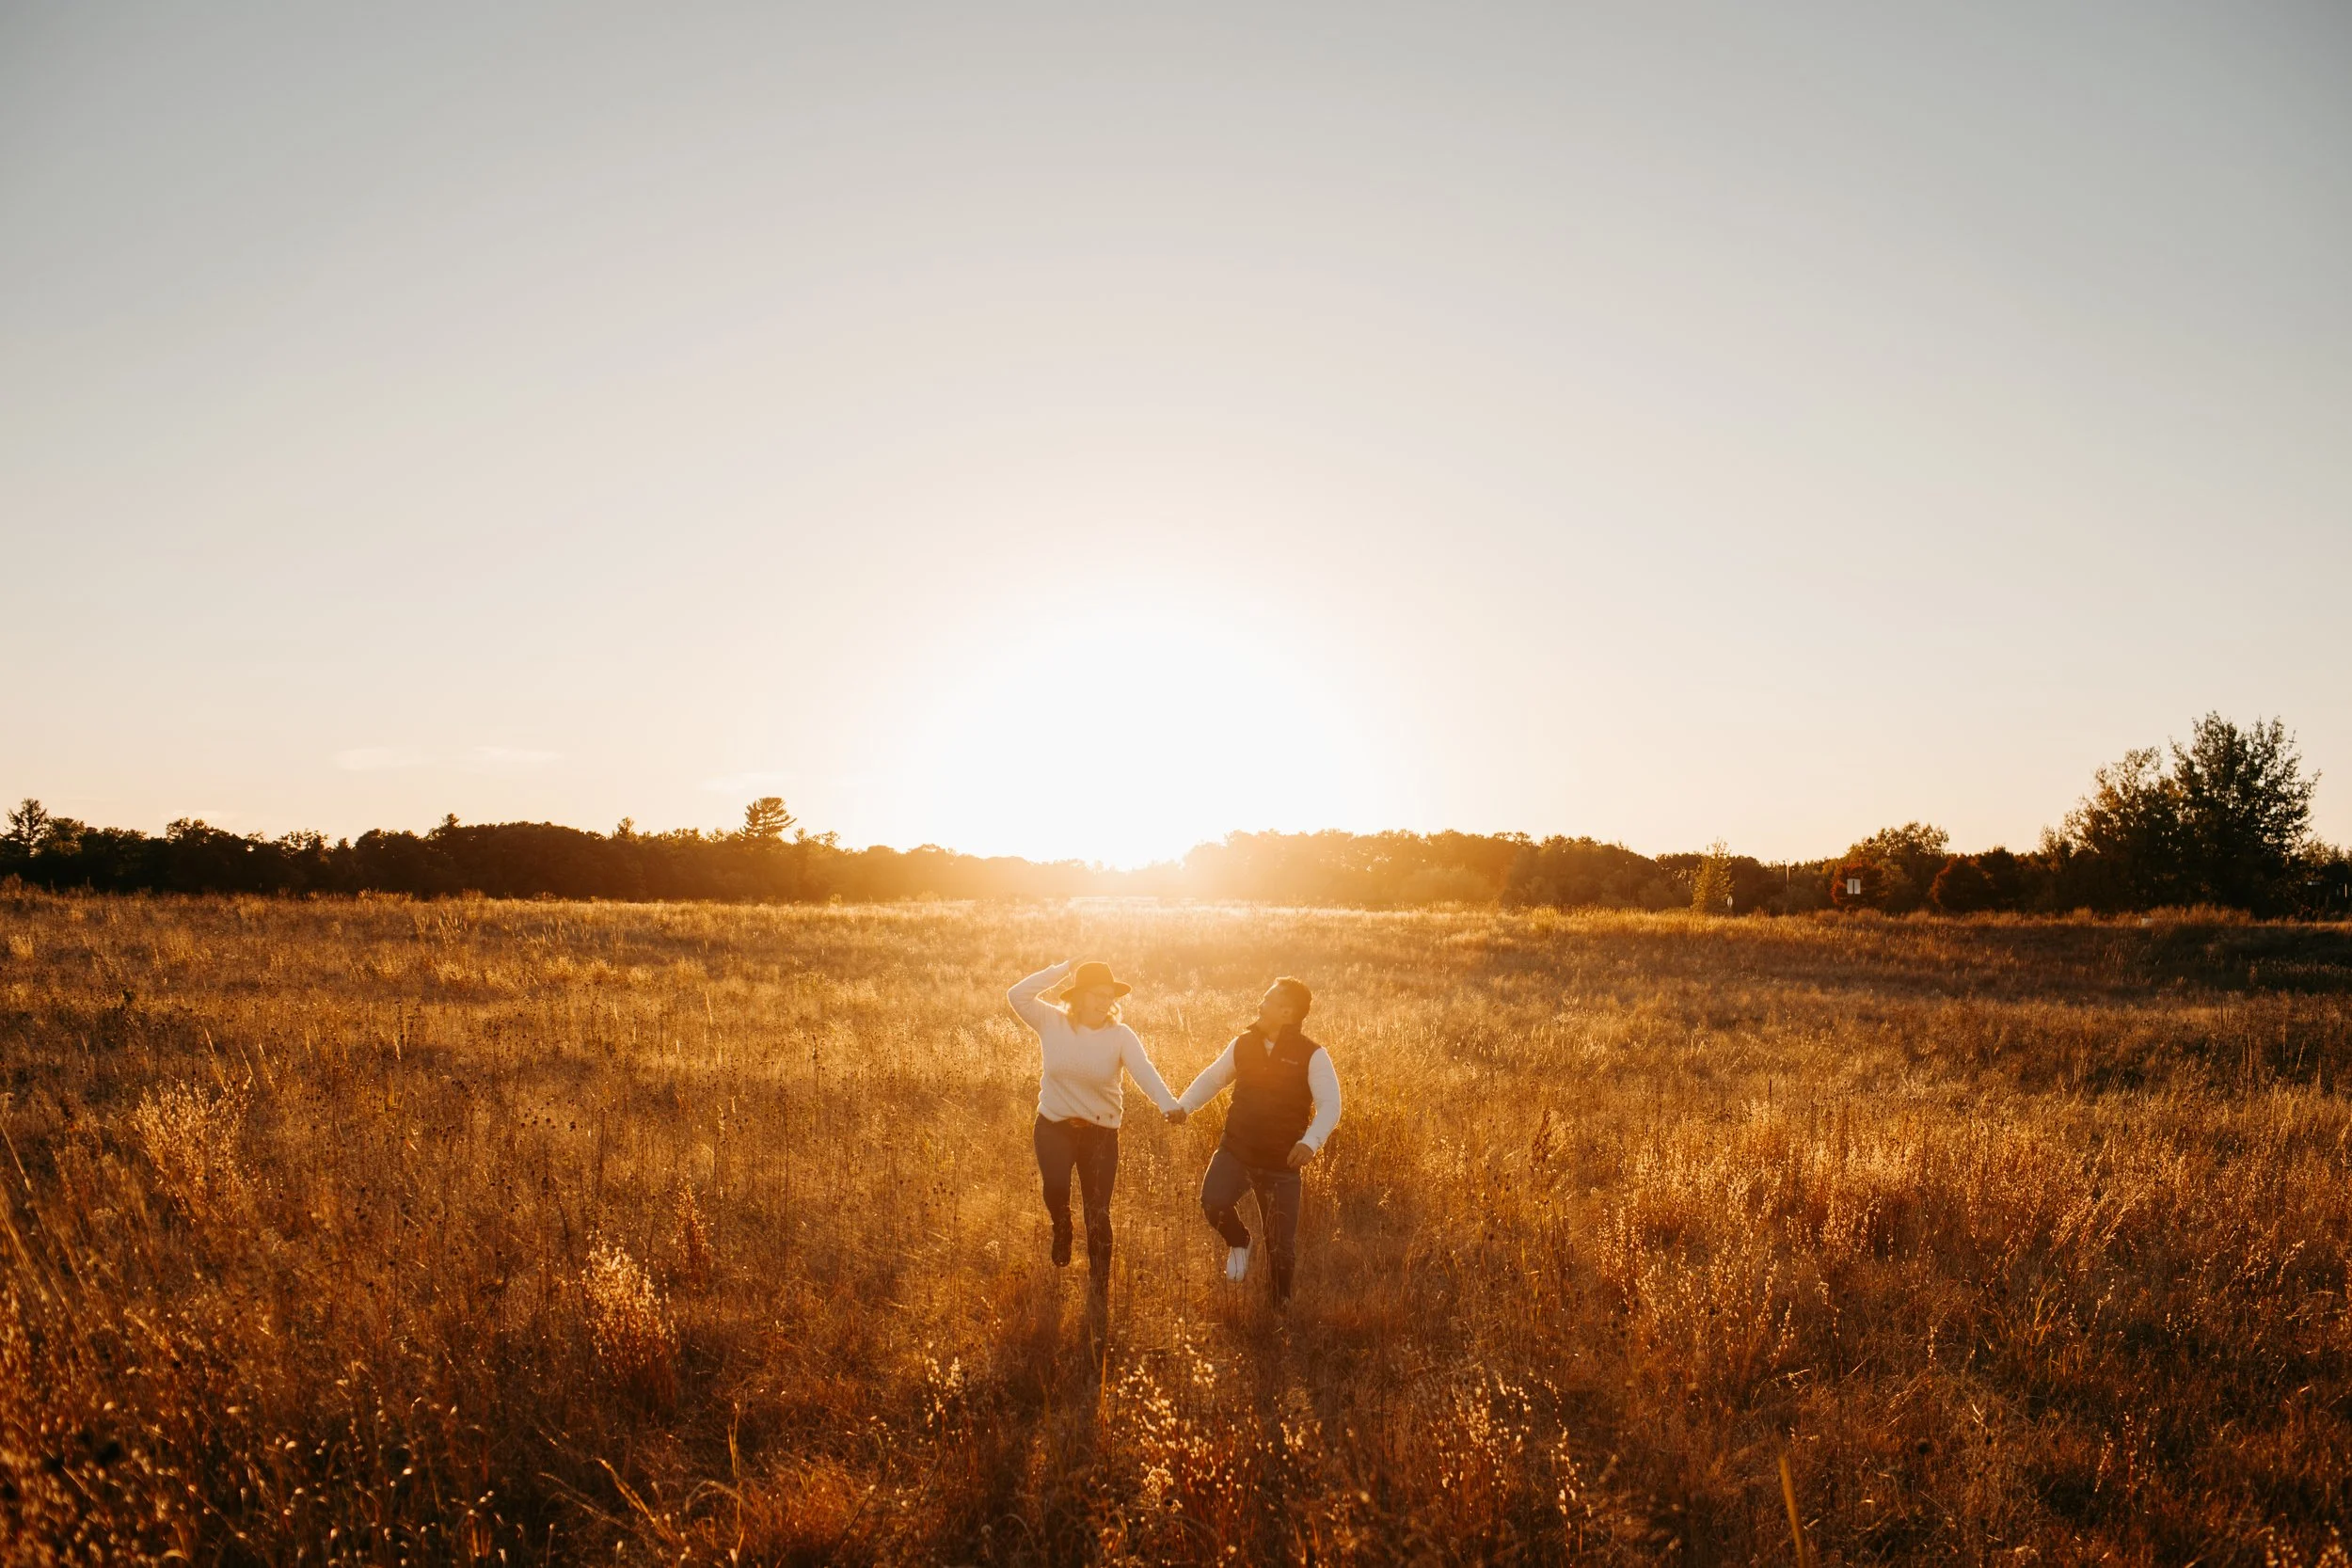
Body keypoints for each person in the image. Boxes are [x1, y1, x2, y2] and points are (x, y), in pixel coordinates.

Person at [1006, 958, 1183, 1296]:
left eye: (1109, 996)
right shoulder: (1052, 1021)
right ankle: (1062, 1225)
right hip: (1054, 1125)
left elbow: (1144, 1071)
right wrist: (1062, 969)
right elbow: (1017, 995)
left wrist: (1168, 1104)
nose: (1105, 1003)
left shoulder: (1120, 1036)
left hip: (1100, 1133)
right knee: (1056, 1188)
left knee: (1098, 1212)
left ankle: (1098, 1287)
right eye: (1097, 995)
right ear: (1079, 996)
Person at [1168, 975, 1342, 1305]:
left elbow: (1331, 1105)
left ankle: (1278, 1311)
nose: (1260, 1004)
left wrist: (1310, 1142)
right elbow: (1213, 1078)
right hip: (1236, 1151)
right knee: (1213, 1202)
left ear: (1288, 1013)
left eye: (1269, 1000)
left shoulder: (1313, 1055)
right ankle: (1240, 1242)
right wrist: (1184, 1106)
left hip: (1281, 1163)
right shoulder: (1243, 1044)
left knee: (1280, 1248)